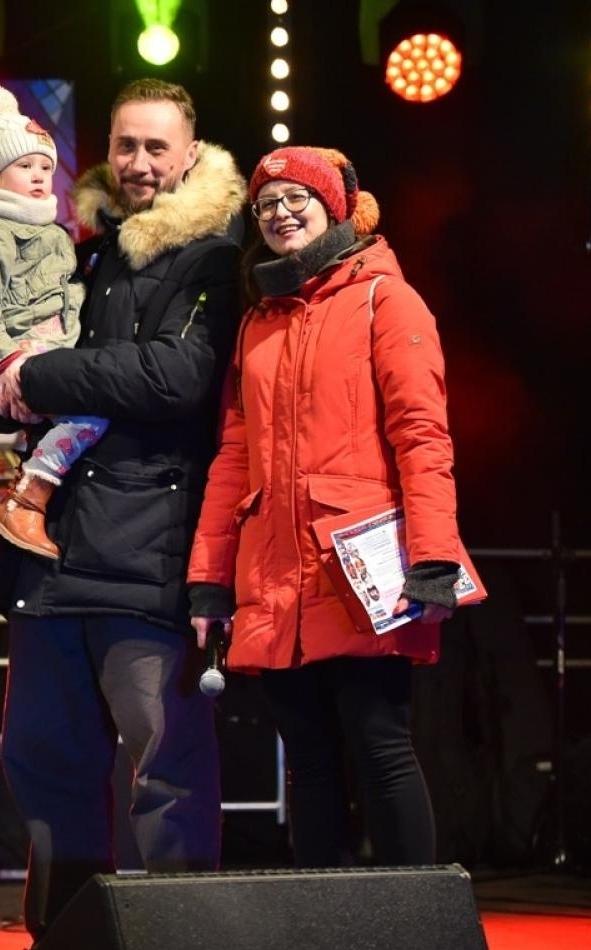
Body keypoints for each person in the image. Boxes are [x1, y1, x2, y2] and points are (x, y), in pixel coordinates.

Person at [0, 79, 244, 950]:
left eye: (158, 147)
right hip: (50, 559)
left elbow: (174, 378)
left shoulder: (211, 258)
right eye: (126, 145)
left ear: (191, 155)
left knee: (164, 765)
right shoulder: (83, 251)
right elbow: (11, 367)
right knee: (44, 761)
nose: (139, 163)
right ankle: (66, 946)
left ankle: (183, 949)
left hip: (147, 557)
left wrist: (37, 381)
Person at [187, 145, 465, 868]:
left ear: (334, 207)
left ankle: (413, 939)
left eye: (295, 200)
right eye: (266, 205)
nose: (280, 214)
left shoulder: (385, 298)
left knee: (381, 749)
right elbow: (235, 457)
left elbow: (422, 434)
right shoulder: (259, 322)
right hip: (279, 577)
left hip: (364, 572)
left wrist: (433, 558)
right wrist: (212, 578)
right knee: (307, 764)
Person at [0, 86, 98, 561]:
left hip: (53, 352)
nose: (39, 177)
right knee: (95, 409)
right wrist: (7, 362)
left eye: (46, 167)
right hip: (19, 356)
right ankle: (28, 498)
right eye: (24, 166)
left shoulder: (53, 234)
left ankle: (32, 506)